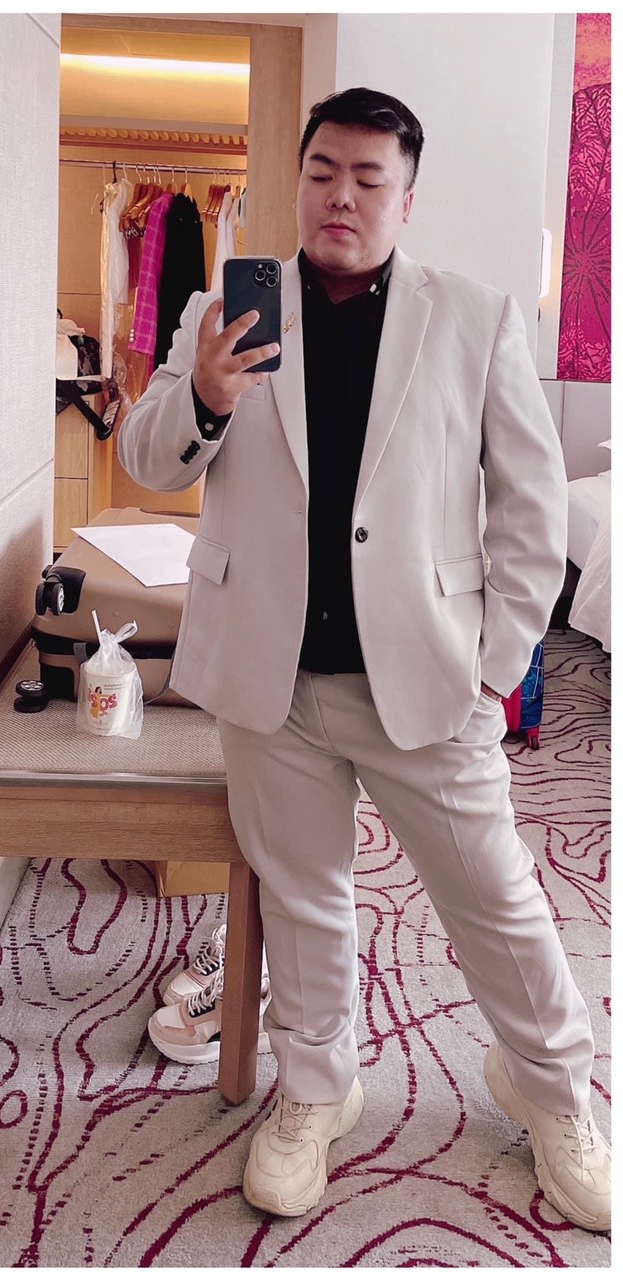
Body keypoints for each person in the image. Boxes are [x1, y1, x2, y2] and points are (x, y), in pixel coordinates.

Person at [119, 87, 610, 1233]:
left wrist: (492, 665)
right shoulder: (222, 307)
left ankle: (554, 1095)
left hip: (427, 679)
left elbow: (529, 507)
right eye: (322, 171)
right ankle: (314, 1087)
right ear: (297, 180)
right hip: (270, 677)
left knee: (493, 897)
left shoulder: (473, 317)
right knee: (302, 896)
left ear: (405, 196)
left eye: (367, 177)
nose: (340, 195)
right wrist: (204, 393)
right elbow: (146, 458)